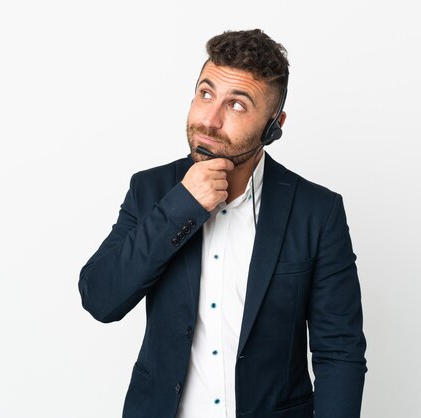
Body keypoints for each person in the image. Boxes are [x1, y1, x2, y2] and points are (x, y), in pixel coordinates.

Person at [79, 29, 367, 418]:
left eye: (236, 105)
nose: (209, 120)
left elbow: (340, 351)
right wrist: (181, 207)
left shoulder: (317, 211)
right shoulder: (151, 191)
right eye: (206, 94)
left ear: (273, 126)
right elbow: (101, 299)